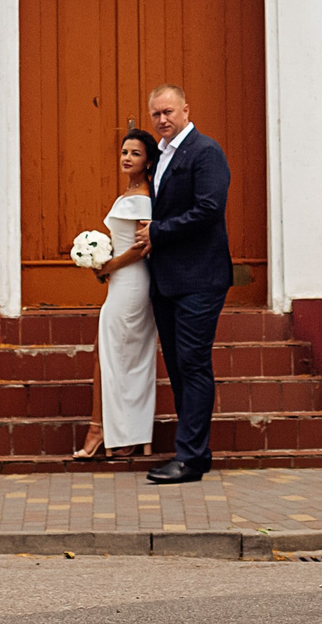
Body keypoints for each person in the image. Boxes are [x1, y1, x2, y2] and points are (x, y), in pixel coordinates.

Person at [142, 83, 231, 484]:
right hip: (167, 281)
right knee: (179, 366)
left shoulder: (205, 151)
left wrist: (158, 232)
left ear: (186, 110)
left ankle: (189, 458)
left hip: (200, 277)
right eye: (156, 114)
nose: (162, 119)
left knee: (193, 364)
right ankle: (197, 453)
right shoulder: (160, 157)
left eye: (168, 112)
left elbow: (210, 210)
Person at [74, 130, 158, 462]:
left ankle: (105, 431)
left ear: (148, 161)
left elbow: (142, 245)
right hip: (122, 282)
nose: (127, 157)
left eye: (135, 154)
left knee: (118, 358)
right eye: (124, 151)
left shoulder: (142, 197)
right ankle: (118, 432)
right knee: (114, 357)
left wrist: (108, 265)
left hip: (131, 283)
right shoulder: (131, 193)